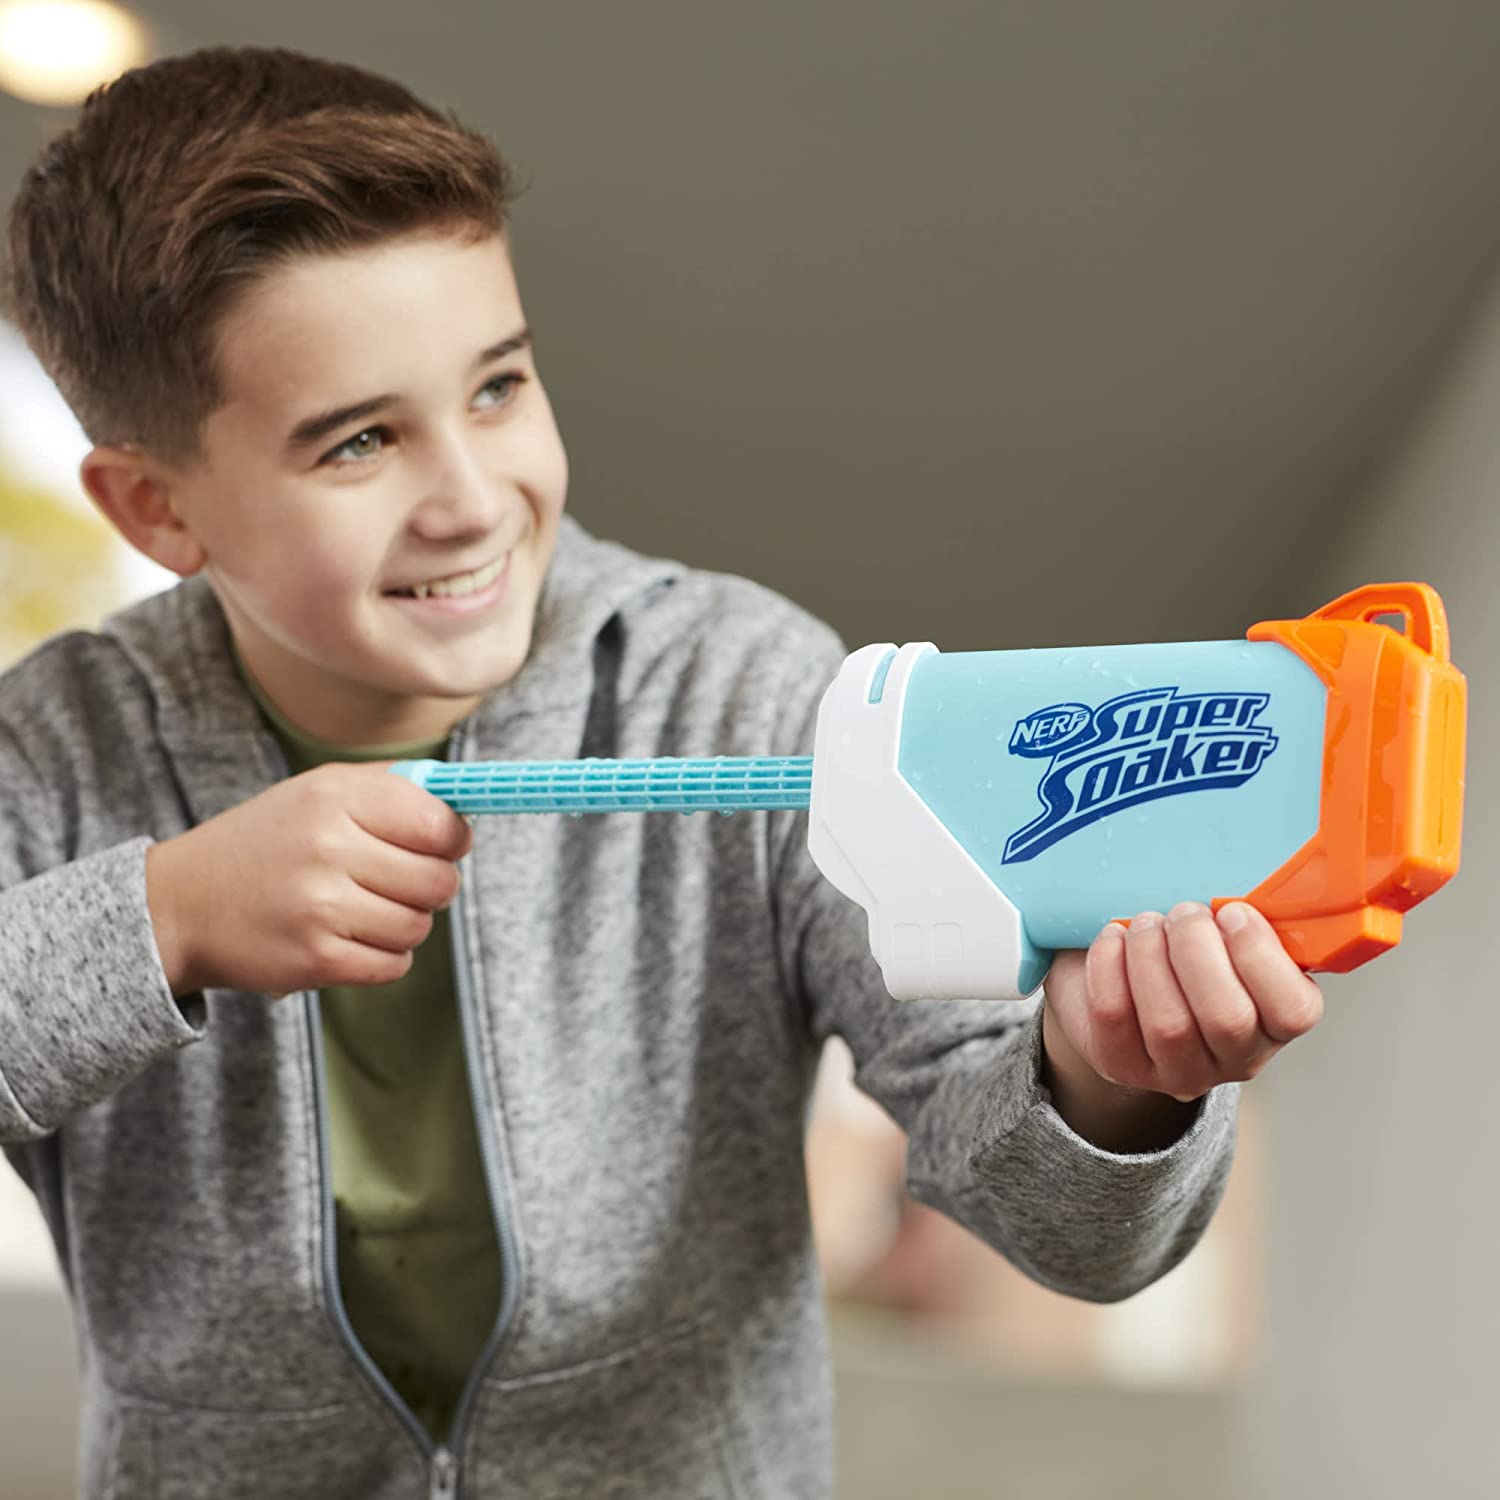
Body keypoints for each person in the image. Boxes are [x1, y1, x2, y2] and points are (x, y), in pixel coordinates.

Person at [0, 46, 1323, 1499]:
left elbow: (1069, 1228)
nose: (472, 501)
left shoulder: (742, 688)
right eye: (361, 441)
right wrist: (165, 918)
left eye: (498, 388)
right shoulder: (53, 750)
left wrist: (1112, 1084)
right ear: (155, 506)